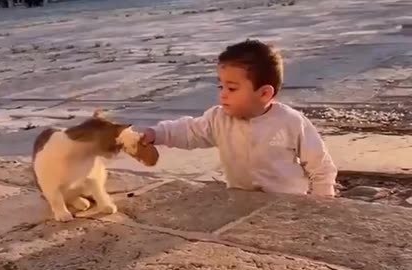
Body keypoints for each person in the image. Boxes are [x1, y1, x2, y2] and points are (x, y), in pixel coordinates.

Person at [140, 39, 337, 196]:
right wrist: (157, 134)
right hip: (239, 199)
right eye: (221, 86)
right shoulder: (218, 118)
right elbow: (189, 131)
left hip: (286, 202)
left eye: (232, 88)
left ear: (264, 94)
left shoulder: (291, 121)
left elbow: (320, 165)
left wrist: (323, 200)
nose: (223, 94)